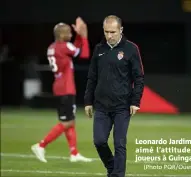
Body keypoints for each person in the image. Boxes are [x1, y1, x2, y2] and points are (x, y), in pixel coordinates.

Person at [84, 15, 144, 177]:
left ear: (121, 30)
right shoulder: (99, 49)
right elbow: (92, 77)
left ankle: (118, 174)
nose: (109, 36)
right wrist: (88, 101)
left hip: (122, 106)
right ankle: (112, 169)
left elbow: (139, 77)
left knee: (119, 143)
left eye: (113, 32)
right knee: (99, 141)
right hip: (101, 106)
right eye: (106, 32)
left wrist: (135, 101)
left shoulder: (131, 49)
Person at [31, 17, 92, 163]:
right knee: (67, 123)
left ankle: (74, 153)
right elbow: (84, 54)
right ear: (62, 35)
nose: (70, 35)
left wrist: (78, 36)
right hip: (66, 88)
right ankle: (41, 145)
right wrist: (83, 36)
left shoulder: (53, 47)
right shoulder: (64, 46)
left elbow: (74, 50)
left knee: (70, 120)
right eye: (69, 33)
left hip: (59, 86)